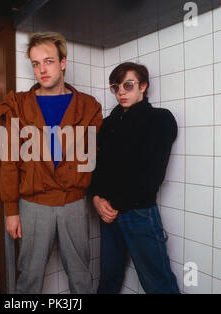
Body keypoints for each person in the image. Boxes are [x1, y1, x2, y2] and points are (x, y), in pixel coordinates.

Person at [0, 32, 103, 294]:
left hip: (74, 203)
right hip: (33, 204)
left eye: (48, 61)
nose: (42, 70)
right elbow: (9, 160)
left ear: (63, 62)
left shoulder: (89, 106)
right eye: (35, 64)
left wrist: (98, 195)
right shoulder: (18, 105)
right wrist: (11, 209)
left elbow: (93, 159)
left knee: (81, 276)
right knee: (29, 279)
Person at [89, 62, 180, 294]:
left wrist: (114, 203)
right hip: (108, 212)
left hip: (139, 213)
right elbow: (97, 168)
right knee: (108, 280)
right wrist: (96, 198)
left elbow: (152, 176)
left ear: (143, 87)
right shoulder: (108, 124)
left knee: (158, 283)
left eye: (128, 85)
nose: (121, 91)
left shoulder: (159, 119)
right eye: (116, 86)